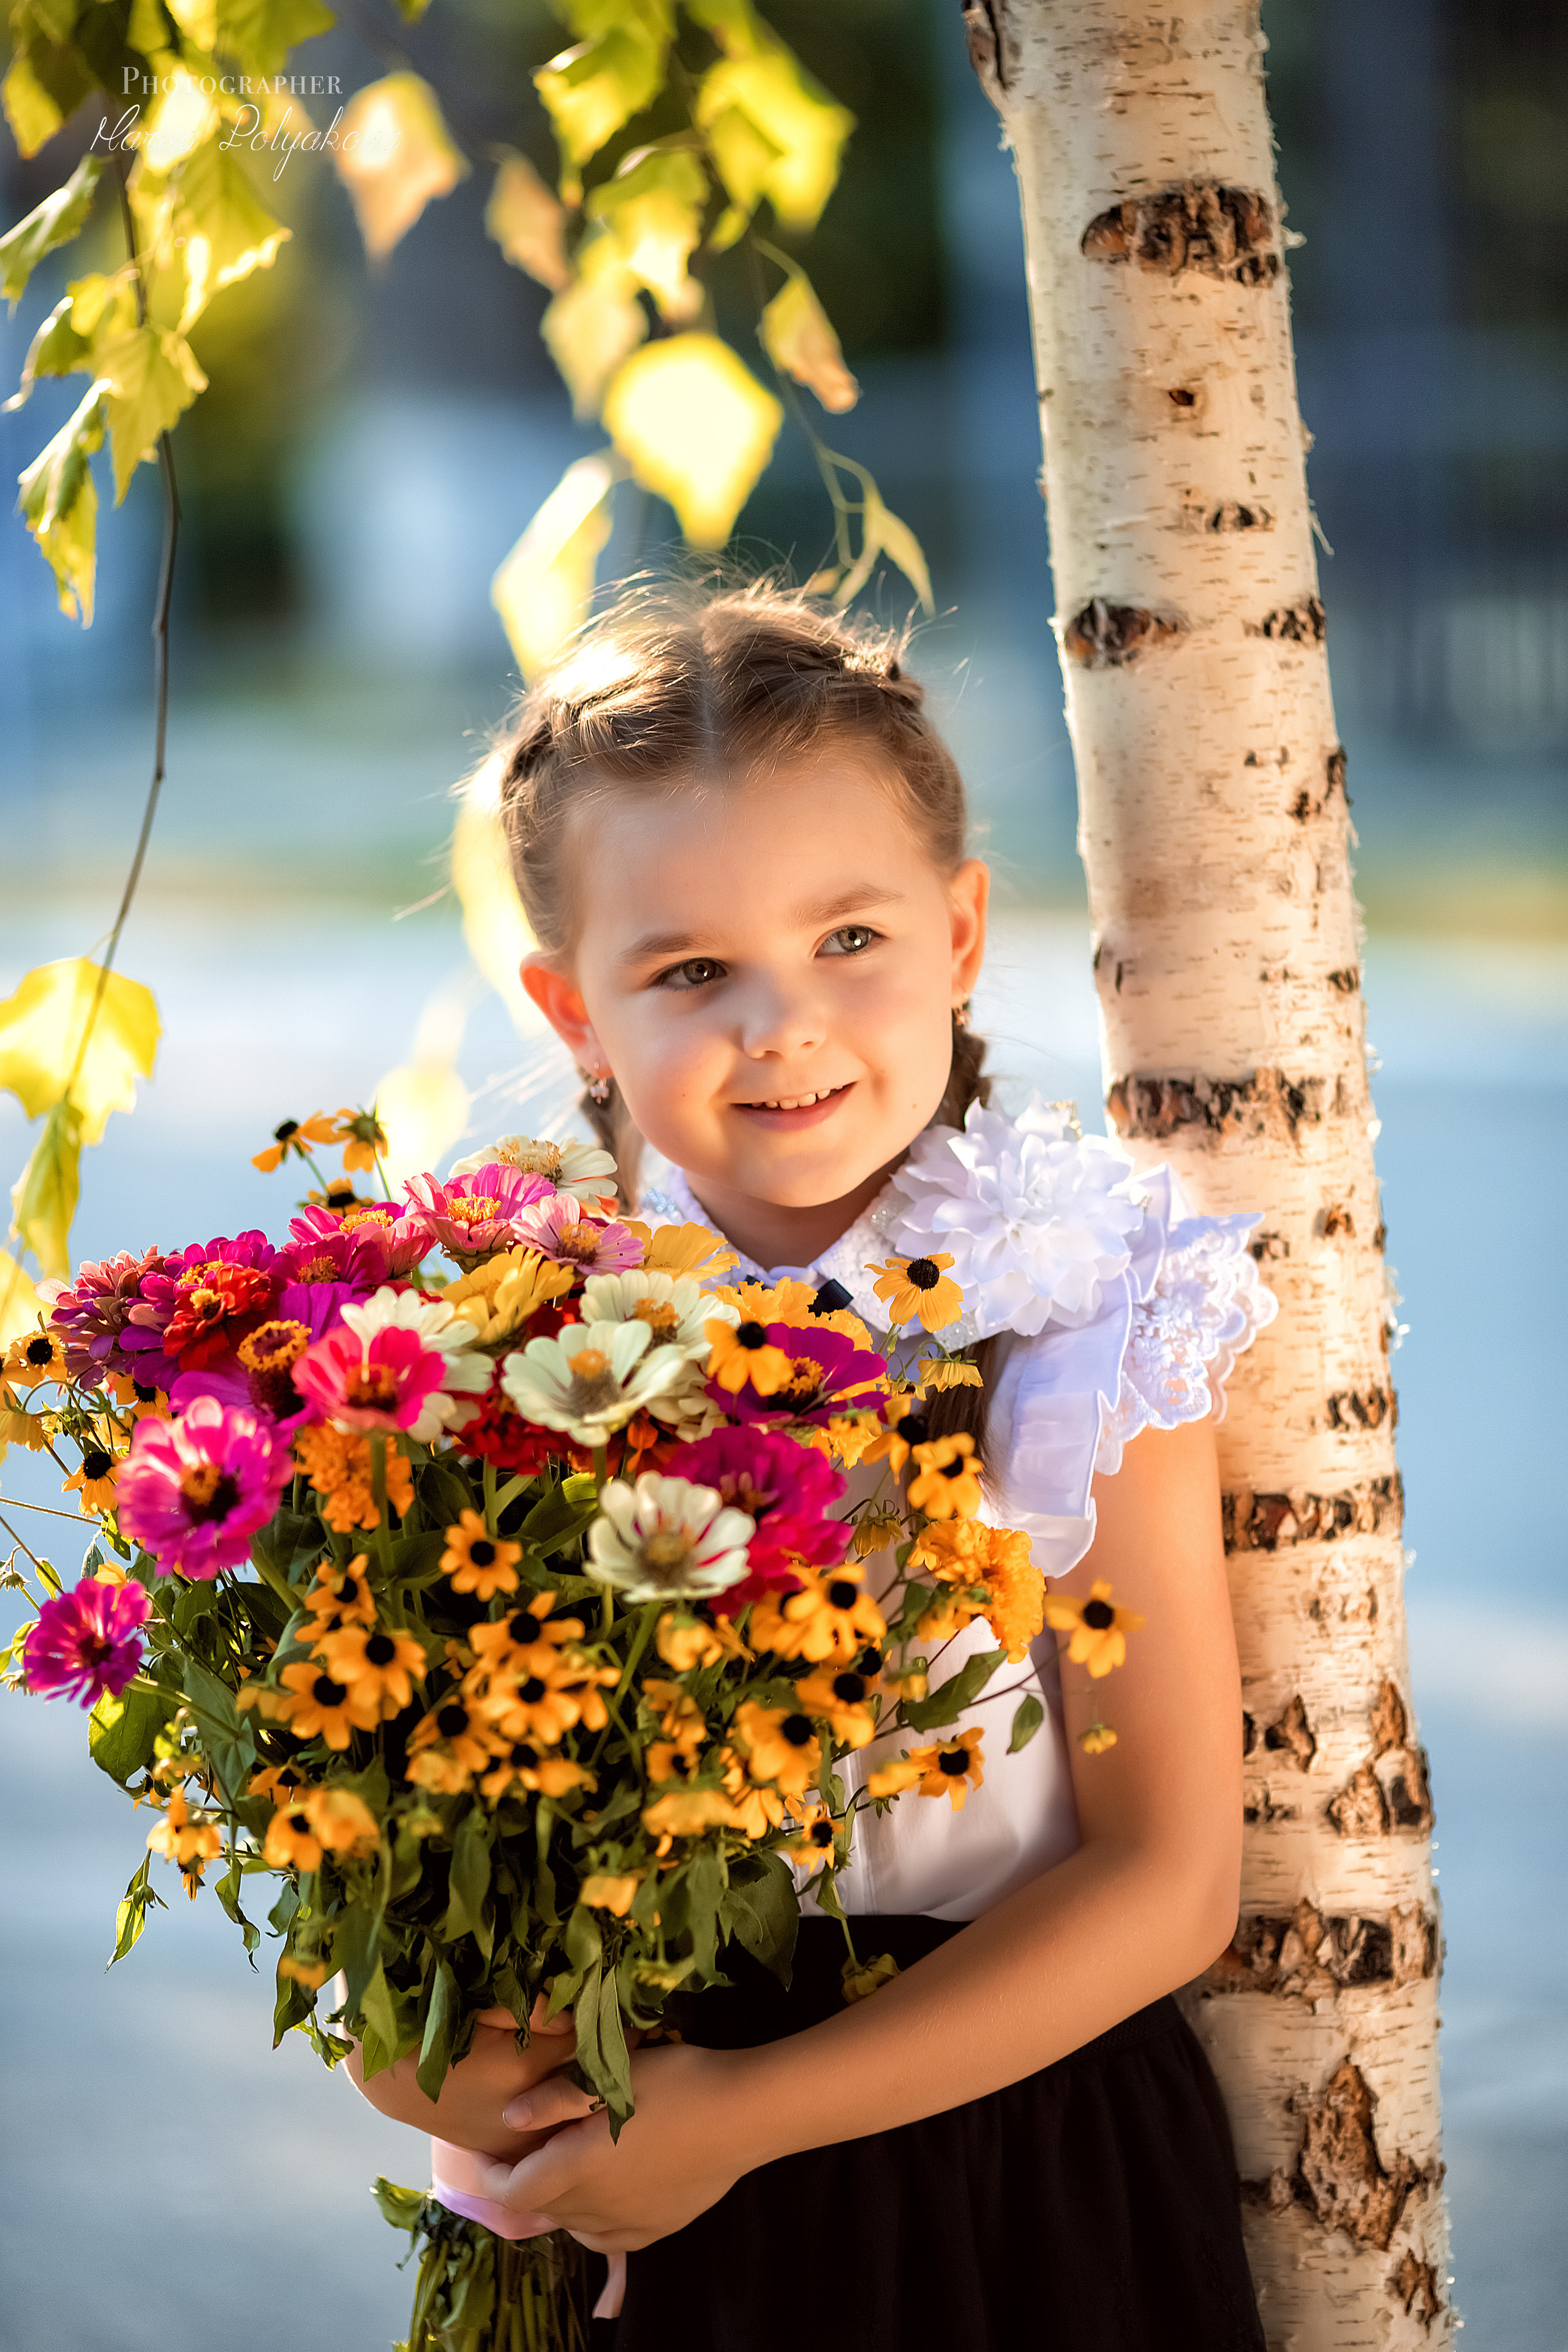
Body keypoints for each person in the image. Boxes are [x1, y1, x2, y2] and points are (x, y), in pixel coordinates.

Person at [349, 582, 1275, 2350]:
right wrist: (427, 2074)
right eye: (690, 970)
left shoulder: (1081, 1304)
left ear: (963, 931)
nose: (781, 1022)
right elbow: (400, 1849)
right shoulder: (495, 1330)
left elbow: (1167, 1880)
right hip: (618, 2167)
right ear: (569, 1012)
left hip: (995, 2172)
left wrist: (735, 2125)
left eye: (849, 939)